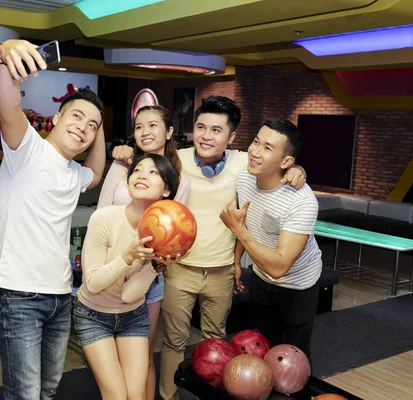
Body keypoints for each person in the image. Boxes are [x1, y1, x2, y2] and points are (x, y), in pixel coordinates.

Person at [112, 96, 307, 400]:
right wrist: (124, 150)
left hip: (221, 271)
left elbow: (277, 163)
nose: (206, 136)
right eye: (201, 127)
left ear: (231, 138)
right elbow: (145, 157)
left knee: (214, 344)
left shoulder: (245, 162)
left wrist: (298, 172)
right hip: (180, 268)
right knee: (174, 341)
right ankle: (169, 396)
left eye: (216, 130)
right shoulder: (177, 160)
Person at [0, 39, 106, 400]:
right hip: (17, 295)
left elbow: (97, 171)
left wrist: (96, 123)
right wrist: (7, 52)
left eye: (92, 126)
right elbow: (8, 103)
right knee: (24, 394)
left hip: (60, 295)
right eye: (76, 117)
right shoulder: (26, 148)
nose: (83, 129)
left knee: (48, 390)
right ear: (56, 117)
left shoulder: (74, 174)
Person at [97, 104, 190, 400]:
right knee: (109, 355)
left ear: (170, 131)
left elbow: (179, 228)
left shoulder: (179, 177)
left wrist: (159, 263)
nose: (145, 132)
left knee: (143, 355)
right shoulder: (123, 165)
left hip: (148, 277)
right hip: (111, 272)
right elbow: (102, 214)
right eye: (138, 126)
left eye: (153, 125)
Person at [75, 153, 185, 400]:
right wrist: (126, 257)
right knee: (116, 396)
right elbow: (92, 284)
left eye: (153, 172)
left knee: (136, 396)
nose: (142, 174)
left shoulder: (164, 233)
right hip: (93, 315)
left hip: (132, 315)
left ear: (167, 190)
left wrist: (155, 268)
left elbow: (128, 295)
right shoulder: (104, 217)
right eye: (138, 170)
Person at [219, 118, 322, 358]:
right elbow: (245, 221)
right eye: (256, 142)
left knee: (293, 356)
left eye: (268, 148)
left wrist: (239, 231)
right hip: (260, 277)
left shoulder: (301, 201)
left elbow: (279, 267)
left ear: (286, 162)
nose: (255, 152)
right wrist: (236, 262)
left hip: (297, 286)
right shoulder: (245, 177)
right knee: (266, 346)